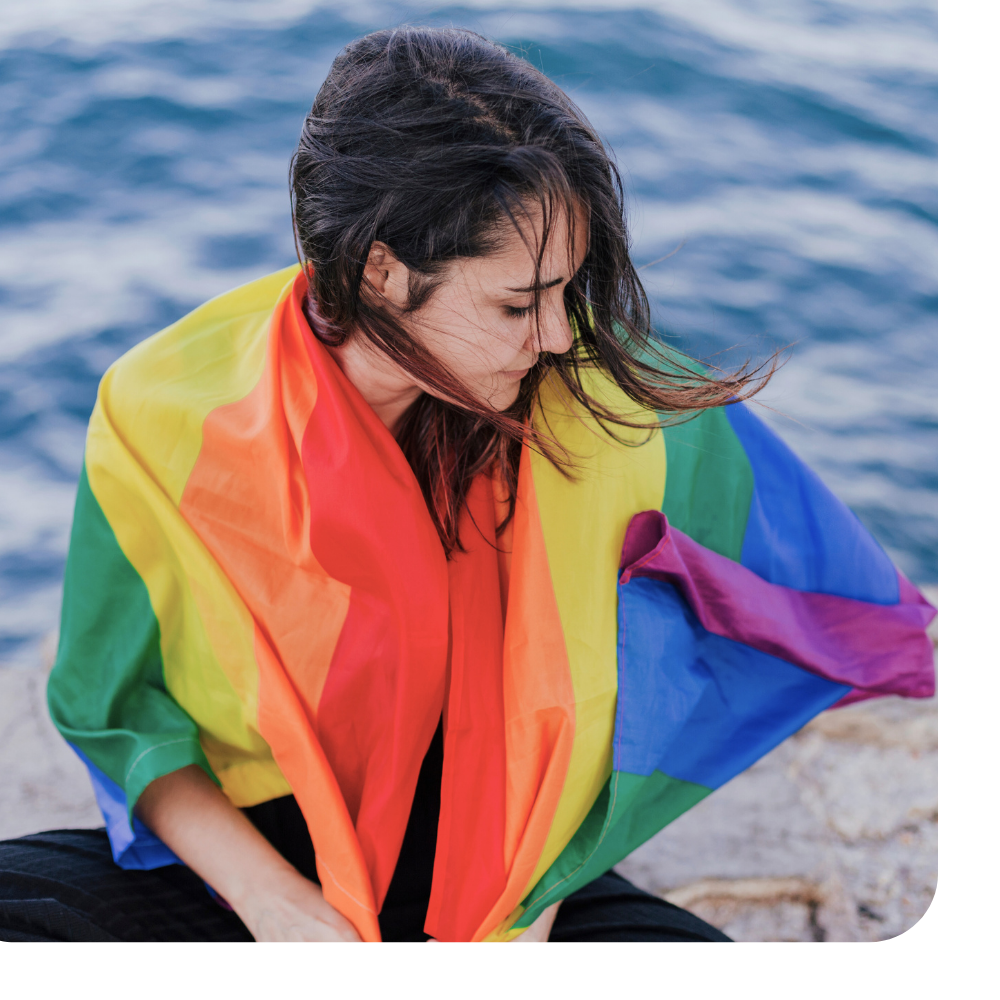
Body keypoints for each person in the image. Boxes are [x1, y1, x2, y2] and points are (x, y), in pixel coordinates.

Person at [0, 27, 934, 958]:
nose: (563, 337)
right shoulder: (166, 411)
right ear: (383, 273)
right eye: (517, 304)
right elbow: (118, 713)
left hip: (489, 849)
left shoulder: (589, 408)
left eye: (567, 292)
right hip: (265, 841)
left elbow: (806, 583)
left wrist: (527, 907)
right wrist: (283, 914)